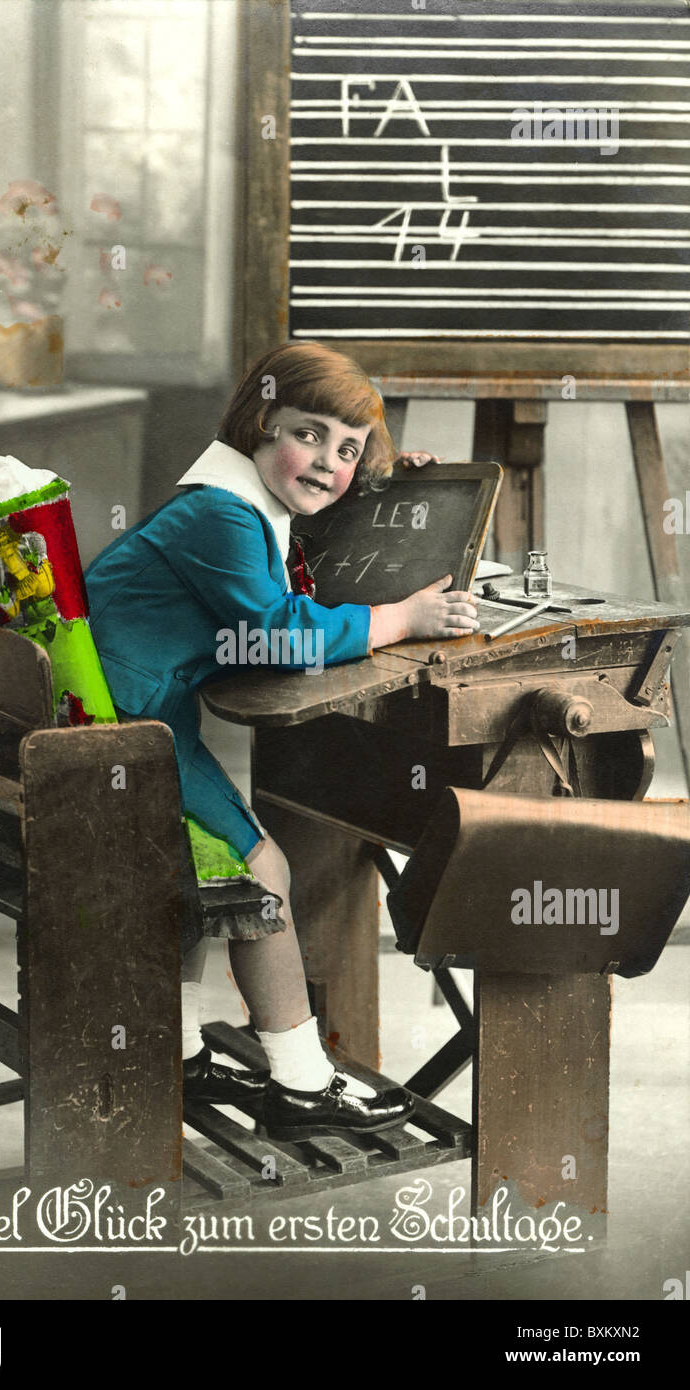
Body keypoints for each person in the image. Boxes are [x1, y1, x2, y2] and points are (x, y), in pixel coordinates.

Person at [83, 341, 479, 1140]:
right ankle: (301, 1087)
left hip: (122, 720)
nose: (328, 465)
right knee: (260, 868)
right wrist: (401, 619)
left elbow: (305, 530)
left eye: (348, 450)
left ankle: (178, 1052)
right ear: (261, 422)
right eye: (311, 435)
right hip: (113, 738)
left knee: (206, 865)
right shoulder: (219, 516)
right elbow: (273, 631)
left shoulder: (233, 497)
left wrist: (383, 484)